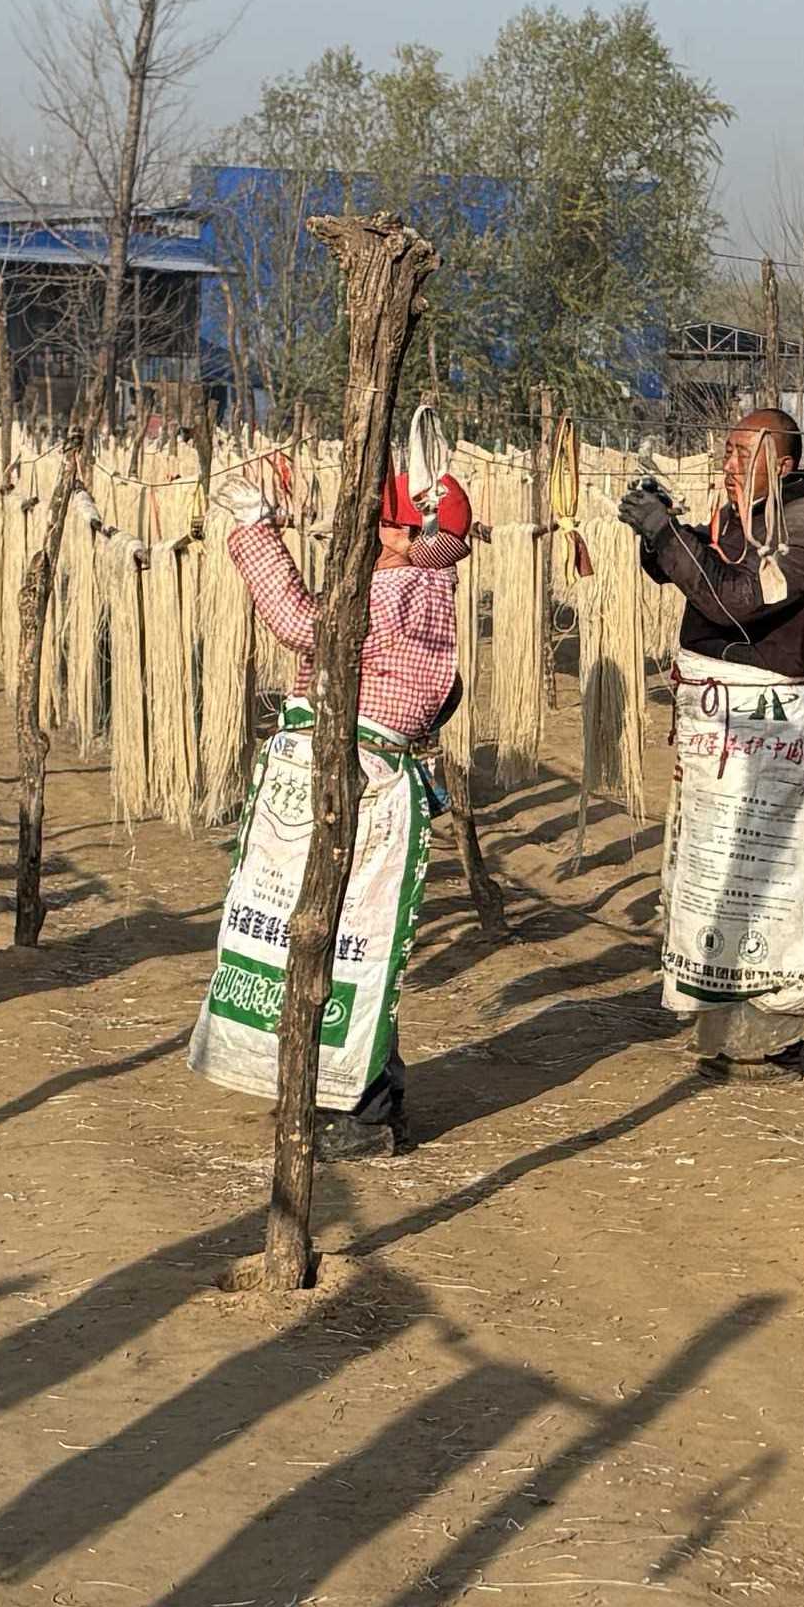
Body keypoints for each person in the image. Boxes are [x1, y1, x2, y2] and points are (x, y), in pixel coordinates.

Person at [204, 459, 470, 1157]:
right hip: (367, 777)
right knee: (353, 945)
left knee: (340, 941)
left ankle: (363, 1112)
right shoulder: (425, 587)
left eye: (375, 520)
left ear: (401, 533)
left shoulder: (397, 590)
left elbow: (302, 624)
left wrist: (256, 530)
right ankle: (359, 1097)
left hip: (356, 786)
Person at [619, 408, 804, 1066]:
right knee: (716, 873)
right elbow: (700, 571)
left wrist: (668, 536)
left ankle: (771, 1036)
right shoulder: (748, 519)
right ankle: (723, 1025)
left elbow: (733, 601)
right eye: (729, 452)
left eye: (747, 453)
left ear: (786, 463)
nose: (731, 464)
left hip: (766, 736)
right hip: (722, 729)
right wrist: (662, 532)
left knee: (764, 880)